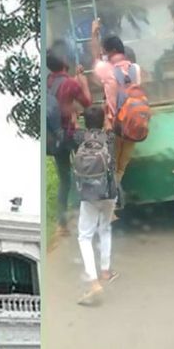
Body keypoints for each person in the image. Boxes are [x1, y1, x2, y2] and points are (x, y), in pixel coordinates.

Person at [74, 106, 119, 304]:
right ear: (103, 121)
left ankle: (93, 284)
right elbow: (110, 128)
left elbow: (73, 126)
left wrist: (77, 116)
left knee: (84, 237)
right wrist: (108, 120)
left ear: (85, 122)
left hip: (89, 194)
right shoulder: (109, 138)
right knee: (105, 229)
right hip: (109, 191)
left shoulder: (79, 138)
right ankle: (106, 271)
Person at [90, 19, 143, 187]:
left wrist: (93, 34)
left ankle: (109, 207)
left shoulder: (107, 70)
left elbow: (95, 61)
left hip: (114, 125)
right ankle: (113, 204)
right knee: (121, 168)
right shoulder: (136, 68)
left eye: (105, 51)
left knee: (110, 167)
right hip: (134, 123)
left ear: (111, 51)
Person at [47, 44, 92, 234]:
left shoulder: (48, 81)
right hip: (71, 134)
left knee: (64, 179)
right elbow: (87, 103)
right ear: (65, 61)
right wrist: (83, 82)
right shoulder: (72, 84)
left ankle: (61, 225)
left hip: (55, 137)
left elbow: (62, 95)